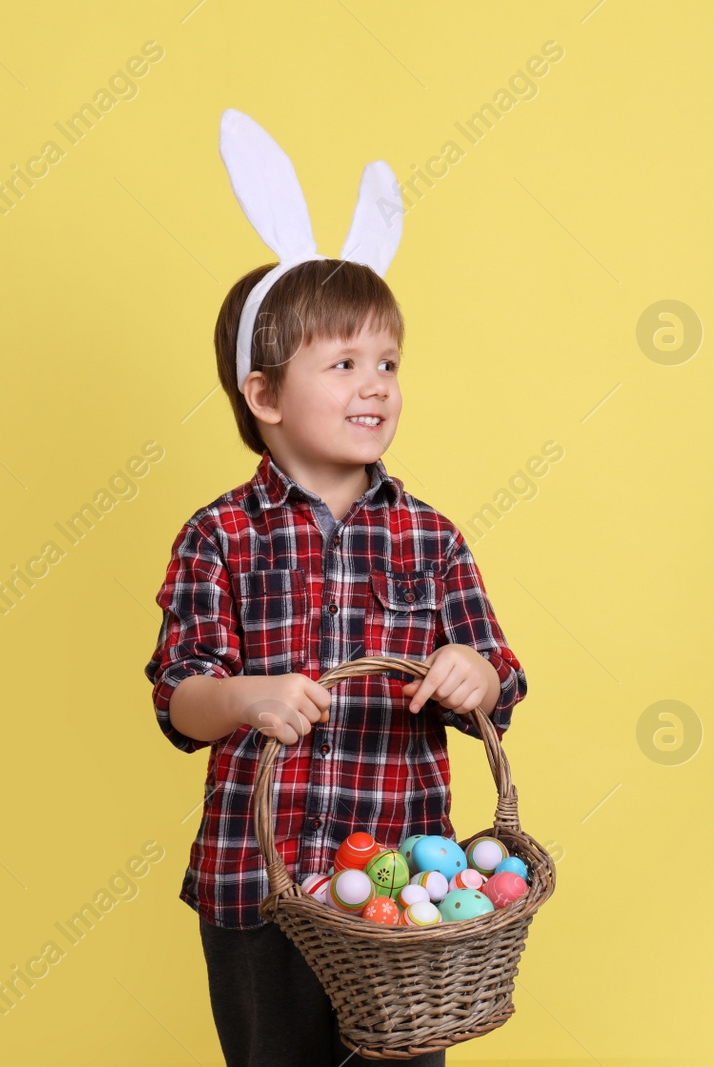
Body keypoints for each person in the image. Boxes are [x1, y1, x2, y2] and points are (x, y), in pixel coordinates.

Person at [143, 254, 529, 1063]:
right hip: (259, 887)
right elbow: (179, 697)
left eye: (388, 363)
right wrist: (243, 697)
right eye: (345, 363)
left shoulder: (432, 536)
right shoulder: (220, 536)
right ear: (265, 395)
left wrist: (474, 674)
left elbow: (500, 679)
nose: (377, 384)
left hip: (403, 903)